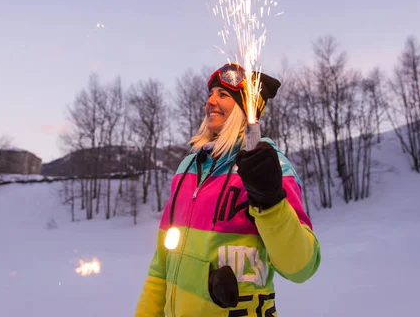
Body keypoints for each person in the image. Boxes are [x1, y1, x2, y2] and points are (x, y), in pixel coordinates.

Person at [134, 63, 321, 316]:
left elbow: (301, 267)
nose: (210, 101)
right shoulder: (187, 168)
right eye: (210, 93)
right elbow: (160, 266)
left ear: (245, 109)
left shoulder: (270, 166)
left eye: (223, 95)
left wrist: (271, 201)